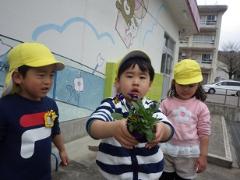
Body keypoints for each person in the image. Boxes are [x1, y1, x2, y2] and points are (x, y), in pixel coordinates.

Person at [86, 50, 174, 180]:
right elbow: (92, 126)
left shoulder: (151, 106)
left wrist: (162, 129)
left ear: (149, 85)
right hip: (114, 175)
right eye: (129, 76)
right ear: (117, 82)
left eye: (142, 77)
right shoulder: (112, 103)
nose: (136, 82)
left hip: (150, 175)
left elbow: (169, 129)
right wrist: (113, 128)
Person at [0, 42, 69, 180]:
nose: (48, 81)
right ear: (18, 77)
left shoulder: (50, 105)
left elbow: (54, 130)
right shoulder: (4, 108)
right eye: (41, 75)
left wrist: (62, 149)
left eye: (51, 75)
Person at [159, 59, 211, 180]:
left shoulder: (201, 107)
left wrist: (203, 156)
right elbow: (158, 123)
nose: (186, 89)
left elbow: (204, 133)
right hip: (165, 151)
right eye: (181, 84)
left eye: (191, 85)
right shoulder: (166, 103)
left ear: (198, 85)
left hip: (189, 155)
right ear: (174, 83)